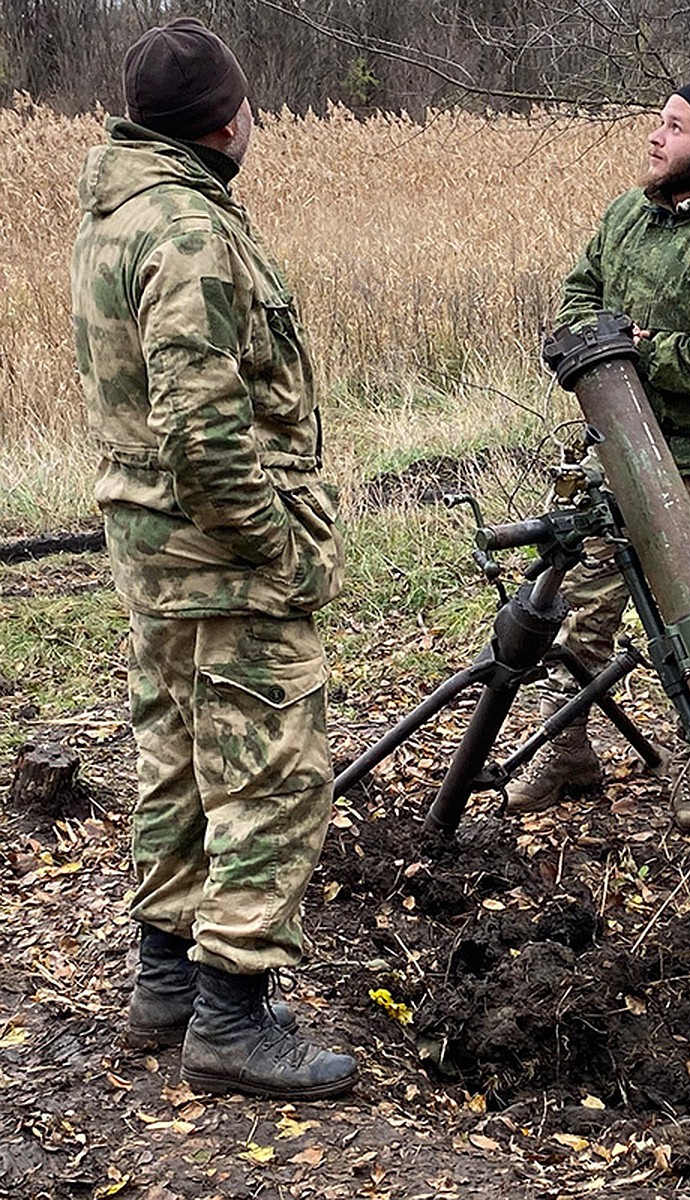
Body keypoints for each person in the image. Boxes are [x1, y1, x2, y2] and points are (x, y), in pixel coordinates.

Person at [70, 17, 356, 1100]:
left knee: (179, 759)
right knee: (276, 777)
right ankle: (231, 1019)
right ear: (224, 121)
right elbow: (203, 425)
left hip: (155, 549)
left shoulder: (118, 214)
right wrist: (276, 548)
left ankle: (164, 987)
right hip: (219, 557)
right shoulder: (187, 232)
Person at [508, 73, 690, 833]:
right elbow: (581, 296)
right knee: (577, 610)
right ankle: (566, 751)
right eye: (659, 121)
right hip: (614, 450)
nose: (655, 136)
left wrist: (643, 357)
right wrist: (591, 353)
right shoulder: (626, 217)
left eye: (675, 127)